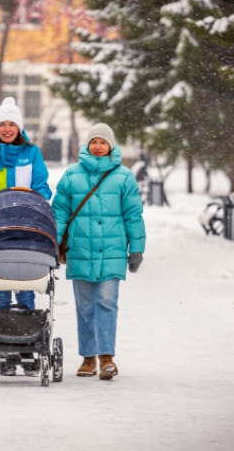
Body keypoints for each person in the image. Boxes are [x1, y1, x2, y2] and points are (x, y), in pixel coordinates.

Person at [51, 123, 146, 381]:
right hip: (80, 250)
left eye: (103, 142)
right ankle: (87, 358)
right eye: (94, 141)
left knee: (106, 303)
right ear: (87, 145)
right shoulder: (71, 175)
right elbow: (59, 214)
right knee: (84, 307)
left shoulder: (124, 177)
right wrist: (52, 243)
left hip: (112, 251)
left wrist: (136, 249)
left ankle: (106, 358)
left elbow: (133, 216)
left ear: (111, 146)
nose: (98, 146)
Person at [0, 96, 52, 377]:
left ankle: (28, 347)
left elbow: (42, 186)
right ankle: (4, 348)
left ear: (19, 127)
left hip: (27, 227)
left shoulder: (31, 154)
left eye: (12, 124)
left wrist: (32, 207)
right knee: (1, 288)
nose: (7, 129)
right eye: (2, 124)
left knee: (26, 286)